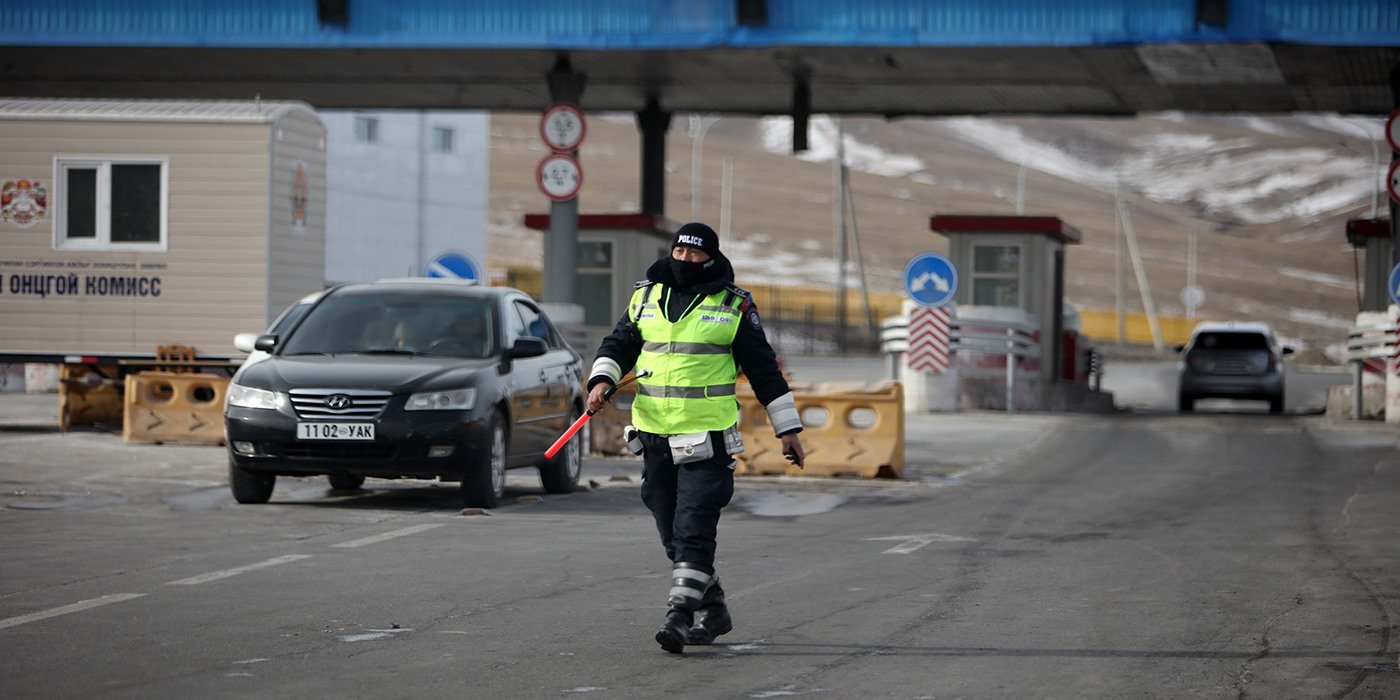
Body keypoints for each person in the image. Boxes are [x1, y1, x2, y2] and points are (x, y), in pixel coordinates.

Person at [586, 221, 805, 654]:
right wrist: (601, 380)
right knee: (671, 528)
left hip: (707, 439)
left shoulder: (733, 305)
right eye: (680, 252)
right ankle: (715, 607)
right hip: (653, 435)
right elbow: (619, 344)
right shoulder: (646, 296)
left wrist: (789, 430)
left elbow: (763, 370)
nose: (685, 260)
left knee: (693, 528)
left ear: (711, 257)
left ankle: (680, 615)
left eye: (695, 254)